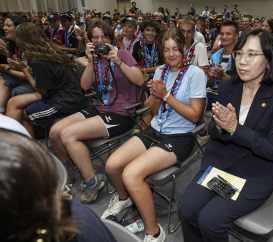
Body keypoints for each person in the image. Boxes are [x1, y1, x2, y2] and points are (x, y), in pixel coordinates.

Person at [178, 28, 273, 242]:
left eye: (252, 54)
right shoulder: (228, 86)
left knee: (211, 222)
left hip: (255, 172)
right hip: (222, 163)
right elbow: (212, 130)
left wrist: (235, 129)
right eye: (239, 53)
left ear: (269, 59)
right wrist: (219, 128)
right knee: (186, 209)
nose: (242, 61)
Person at [101, 27, 206, 242]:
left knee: (130, 174)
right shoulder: (160, 71)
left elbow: (195, 117)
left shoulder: (195, 73)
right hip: (155, 129)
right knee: (112, 165)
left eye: (175, 49)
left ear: (184, 48)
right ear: (161, 51)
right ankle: (124, 199)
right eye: (166, 50)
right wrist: (156, 96)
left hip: (180, 137)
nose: (171, 55)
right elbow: (155, 110)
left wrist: (166, 95)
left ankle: (154, 233)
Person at [49, 20, 143, 204]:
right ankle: (68, 167)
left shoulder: (122, 53)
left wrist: (119, 61)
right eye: (95, 37)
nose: (100, 41)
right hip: (99, 107)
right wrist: (91, 62)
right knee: (54, 131)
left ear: (110, 38)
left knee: (68, 134)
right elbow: (84, 86)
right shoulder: (96, 59)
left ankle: (93, 182)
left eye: (104, 36)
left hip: (122, 113)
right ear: (90, 40)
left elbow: (140, 81)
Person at [0, 127, 116, 242]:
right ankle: (88, 180)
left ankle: (91, 182)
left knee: (64, 134)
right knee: (61, 134)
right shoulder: (78, 216)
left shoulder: (79, 220)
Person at [5, 22, 87, 138]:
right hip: (64, 92)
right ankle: (16, 143)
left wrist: (24, 69)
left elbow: (42, 91)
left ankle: (22, 147)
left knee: (22, 114)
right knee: (14, 101)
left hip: (65, 101)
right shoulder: (48, 51)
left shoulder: (37, 60)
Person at [132, 19, 163, 129]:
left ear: (156, 32)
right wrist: (142, 71)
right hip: (143, 77)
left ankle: (148, 113)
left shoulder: (160, 45)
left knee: (146, 86)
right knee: (138, 84)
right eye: (147, 30)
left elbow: (161, 66)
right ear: (143, 32)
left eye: (153, 30)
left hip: (159, 76)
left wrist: (145, 70)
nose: (150, 33)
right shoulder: (137, 45)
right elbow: (134, 65)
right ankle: (144, 112)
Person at [0, 16, 35, 115]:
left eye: (8, 25)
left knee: (13, 91)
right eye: (4, 25)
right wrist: (6, 55)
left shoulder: (28, 48)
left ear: (19, 28)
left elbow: (29, 76)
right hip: (28, 78)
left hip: (37, 83)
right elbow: (19, 65)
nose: (4, 28)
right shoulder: (16, 44)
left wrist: (8, 71)